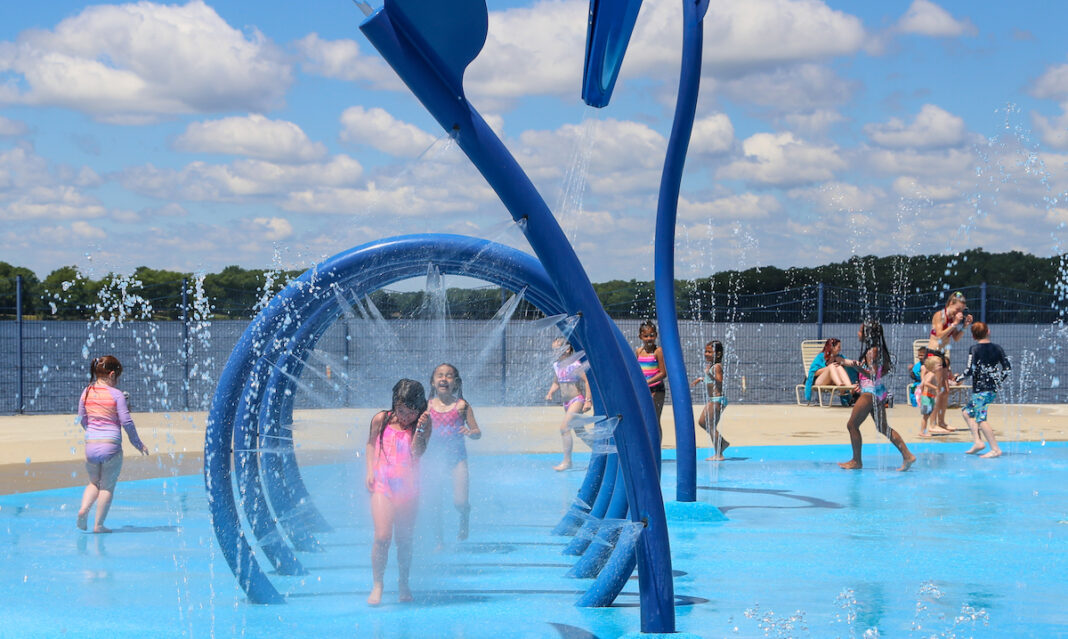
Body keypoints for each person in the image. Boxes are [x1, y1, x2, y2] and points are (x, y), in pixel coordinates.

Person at [366, 379, 431, 605]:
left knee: (404, 540)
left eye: (412, 412)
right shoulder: (381, 420)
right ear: (395, 403)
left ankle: (403, 582)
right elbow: (371, 444)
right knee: (382, 536)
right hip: (383, 484)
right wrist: (369, 471)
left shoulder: (422, 424)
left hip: (408, 488)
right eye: (402, 410)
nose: (406, 417)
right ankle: (378, 584)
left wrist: (420, 428)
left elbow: (417, 453)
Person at [76, 355, 149, 533]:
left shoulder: (86, 392)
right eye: (117, 377)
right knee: (107, 486)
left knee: (94, 483)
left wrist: (93, 431)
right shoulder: (117, 395)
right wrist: (138, 444)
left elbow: (82, 418)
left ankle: (83, 509)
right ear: (111, 374)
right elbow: (127, 422)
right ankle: (98, 525)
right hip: (111, 446)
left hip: (91, 446)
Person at [837, 320, 916, 472]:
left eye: (860, 331)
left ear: (867, 334)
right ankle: (907, 455)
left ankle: (856, 461)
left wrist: (856, 368)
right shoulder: (878, 350)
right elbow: (882, 372)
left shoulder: (871, 352)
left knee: (852, 425)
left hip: (870, 393)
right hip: (877, 391)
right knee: (883, 427)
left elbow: (872, 375)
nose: (858, 334)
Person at [424, 363, 481, 547]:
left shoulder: (461, 406)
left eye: (449, 376)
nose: (444, 379)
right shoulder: (427, 406)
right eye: (440, 375)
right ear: (433, 382)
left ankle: (465, 516)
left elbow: (477, 431)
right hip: (434, 460)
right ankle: (439, 541)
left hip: (457, 459)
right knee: (435, 503)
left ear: (455, 382)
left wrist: (471, 433)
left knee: (460, 501)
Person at [959, 322, 1011, 458]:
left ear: (973, 336)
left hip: (981, 390)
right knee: (966, 412)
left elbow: (970, 369)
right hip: (990, 390)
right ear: (989, 331)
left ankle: (995, 449)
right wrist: (998, 381)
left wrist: (958, 378)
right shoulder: (998, 348)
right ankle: (978, 442)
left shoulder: (974, 348)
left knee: (981, 419)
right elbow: (1007, 369)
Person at [925, 291, 973, 432]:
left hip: (942, 355)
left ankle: (942, 422)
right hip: (932, 355)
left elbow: (956, 338)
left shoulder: (952, 319)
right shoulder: (940, 315)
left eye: (962, 311)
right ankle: (932, 425)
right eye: (958, 309)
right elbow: (939, 334)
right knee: (939, 390)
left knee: (945, 390)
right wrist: (955, 323)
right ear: (951, 304)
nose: (959, 312)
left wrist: (964, 325)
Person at [545, 337, 593, 471]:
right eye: (553, 351)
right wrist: (550, 392)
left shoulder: (575, 365)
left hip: (577, 400)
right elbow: (557, 382)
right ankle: (599, 450)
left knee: (564, 428)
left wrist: (588, 401)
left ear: (566, 350)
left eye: (557, 350)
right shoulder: (557, 365)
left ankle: (567, 461)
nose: (554, 353)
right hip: (566, 404)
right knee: (580, 432)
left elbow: (587, 381)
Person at [691, 340, 729, 460]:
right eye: (705, 351)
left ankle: (719, 453)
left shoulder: (717, 366)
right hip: (713, 399)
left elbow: (719, 380)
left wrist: (709, 374)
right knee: (703, 422)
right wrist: (701, 378)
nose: (706, 354)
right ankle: (722, 443)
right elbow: (710, 379)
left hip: (717, 400)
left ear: (717, 354)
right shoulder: (712, 366)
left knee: (710, 425)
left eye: (709, 352)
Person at [635, 320, 667, 435]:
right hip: (644, 389)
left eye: (652, 335)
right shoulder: (639, 351)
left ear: (656, 336)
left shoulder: (658, 351)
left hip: (656, 389)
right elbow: (636, 371)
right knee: (644, 419)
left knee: (654, 419)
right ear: (640, 337)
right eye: (646, 336)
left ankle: (657, 447)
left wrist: (648, 381)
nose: (649, 338)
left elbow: (663, 373)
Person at [804, 337, 853, 404]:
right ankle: (840, 386)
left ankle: (850, 387)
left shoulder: (838, 357)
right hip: (819, 381)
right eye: (838, 347)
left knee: (838, 366)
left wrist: (857, 363)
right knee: (832, 366)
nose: (840, 349)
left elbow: (847, 361)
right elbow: (814, 372)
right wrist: (828, 368)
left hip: (831, 381)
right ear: (832, 347)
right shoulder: (821, 357)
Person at [917, 364, 938, 437]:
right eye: (938, 366)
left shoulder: (929, 374)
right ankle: (922, 431)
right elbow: (926, 383)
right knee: (925, 416)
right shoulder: (931, 374)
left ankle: (923, 431)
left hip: (928, 396)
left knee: (927, 415)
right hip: (927, 397)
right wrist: (935, 388)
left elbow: (923, 384)